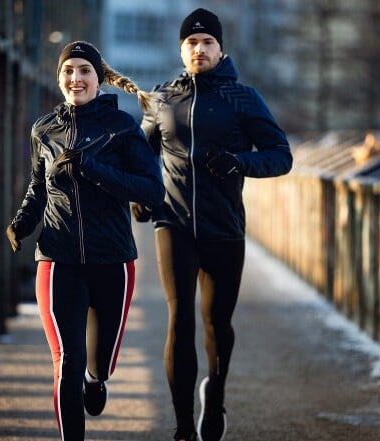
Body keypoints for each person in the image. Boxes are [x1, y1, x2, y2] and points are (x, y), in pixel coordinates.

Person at [134, 8, 293, 441]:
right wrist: (141, 193)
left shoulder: (245, 99)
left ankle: (215, 394)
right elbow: (139, 153)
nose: (198, 49)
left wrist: (240, 162)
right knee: (179, 318)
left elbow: (281, 155)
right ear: (181, 50)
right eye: (191, 43)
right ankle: (184, 427)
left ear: (221, 49)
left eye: (207, 42)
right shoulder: (162, 97)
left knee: (217, 324)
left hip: (225, 229)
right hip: (175, 224)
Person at [5, 40, 165, 441]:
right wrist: (23, 221)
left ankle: (98, 379)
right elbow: (38, 186)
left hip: (113, 259)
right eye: (68, 71)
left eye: (84, 71)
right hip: (58, 259)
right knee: (67, 362)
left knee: (99, 363)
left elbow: (151, 191)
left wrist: (92, 169)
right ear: (59, 78)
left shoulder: (123, 127)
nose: (75, 78)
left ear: (98, 78)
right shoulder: (44, 128)